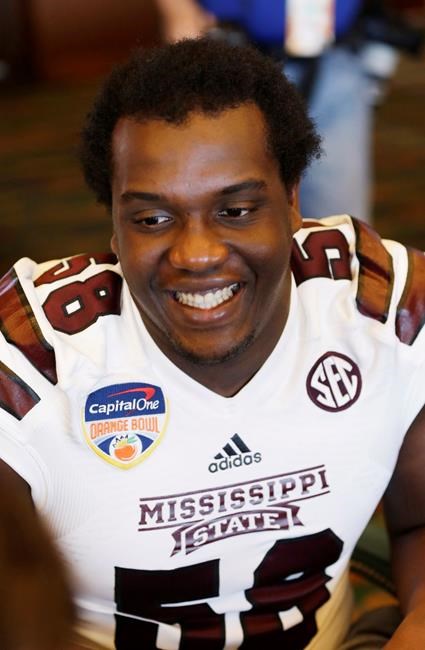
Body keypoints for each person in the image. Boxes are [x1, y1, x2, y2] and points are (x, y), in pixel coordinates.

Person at [0, 37, 424, 649]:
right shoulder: (28, 364)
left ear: (293, 201)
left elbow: (418, 521)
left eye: (237, 210)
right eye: (152, 219)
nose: (197, 254)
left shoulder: (386, 309)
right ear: (114, 225)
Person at [154, 0, 420, 224]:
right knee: (231, 214)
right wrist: (177, 9)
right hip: (230, 62)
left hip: (335, 60)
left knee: (340, 227)